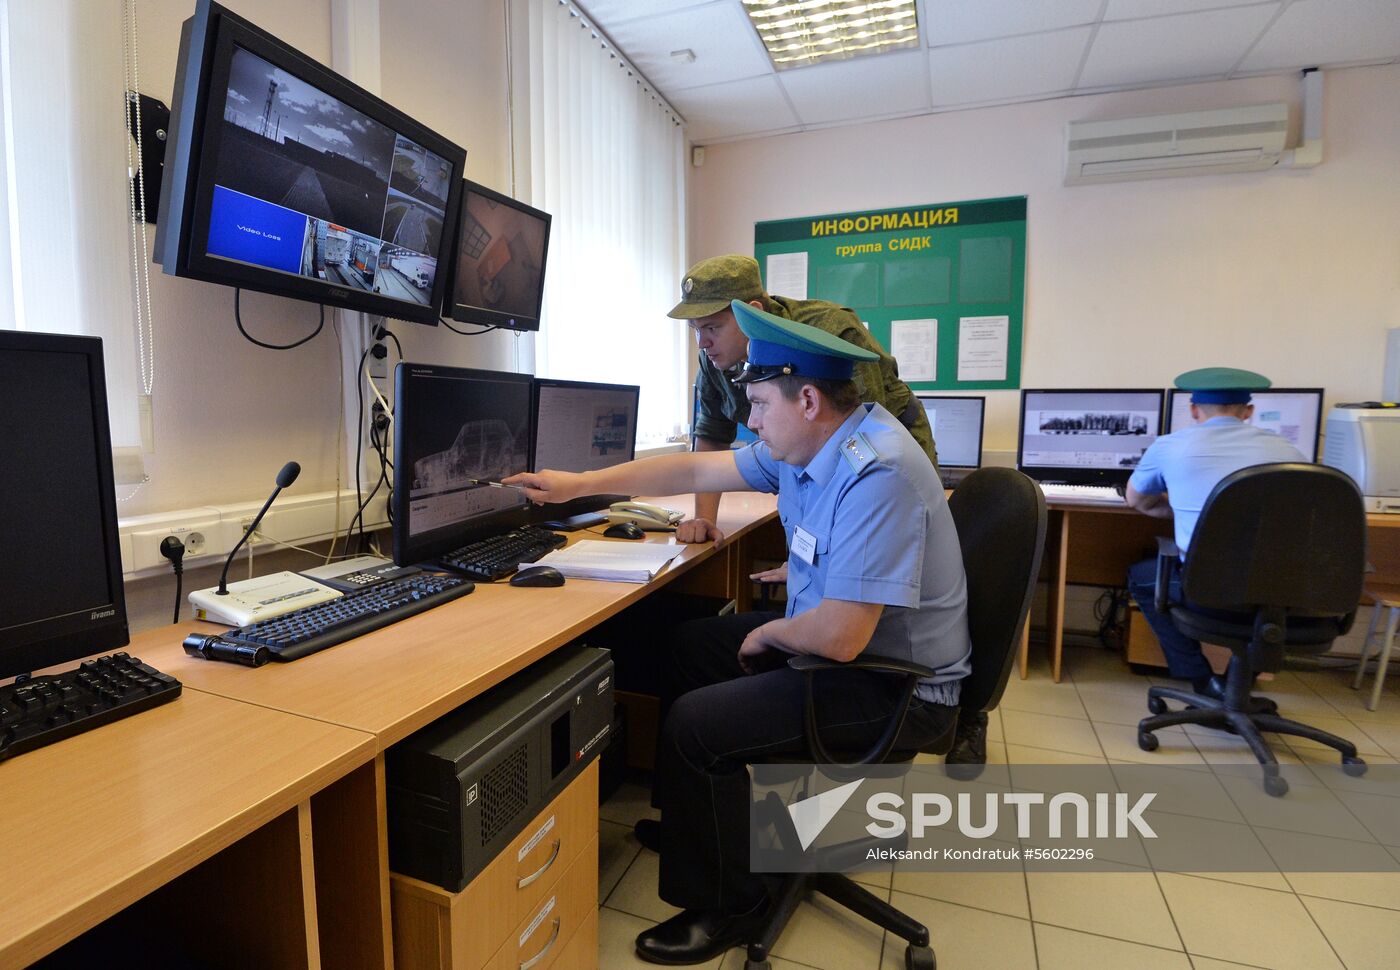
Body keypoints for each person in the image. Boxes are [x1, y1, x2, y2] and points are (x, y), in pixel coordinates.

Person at [506, 301, 969, 965]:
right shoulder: (816, 441)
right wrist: (578, 485)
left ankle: (728, 903)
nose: (749, 420)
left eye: (757, 405)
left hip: (895, 682)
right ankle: (704, 827)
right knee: (689, 645)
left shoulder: (879, 471)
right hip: (853, 645)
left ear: (807, 398)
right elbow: (695, 469)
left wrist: (771, 636)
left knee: (696, 725)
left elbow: (840, 637)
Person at [666, 253, 937, 546]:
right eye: (695, 329)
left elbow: (860, 440)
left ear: (752, 312)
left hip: (883, 448)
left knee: (900, 542)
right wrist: (705, 519)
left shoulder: (827, 330)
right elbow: (712, 436)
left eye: (712, 328)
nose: (702, 342)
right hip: (804, 456)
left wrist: (820, 557)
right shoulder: (715, 357)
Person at [1124, 367, 1305, 699]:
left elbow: (1136, 500)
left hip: (1205, 593)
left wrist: (1184, 510)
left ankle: (1201, 679)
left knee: (1141, 576)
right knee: (1256, 595)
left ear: (1193, 410)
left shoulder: (1170, 446)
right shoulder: (1290, 453)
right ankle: (1243, 683)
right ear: (1248, 412)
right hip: (1281, 597)